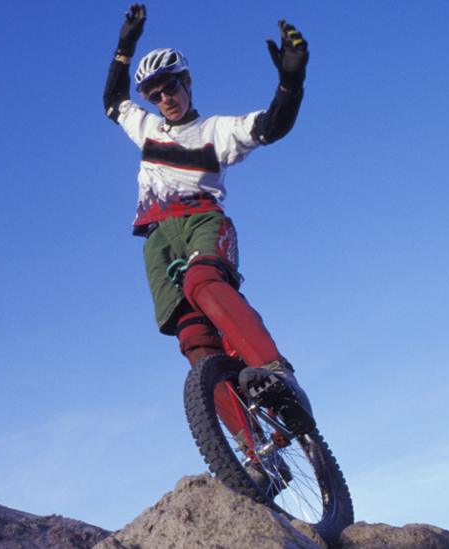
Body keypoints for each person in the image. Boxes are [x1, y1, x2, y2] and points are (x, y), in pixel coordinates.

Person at [103, 4, 315, 435]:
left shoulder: (217, 130)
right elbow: (112, 101)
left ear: (187, 82)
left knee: (203, 282)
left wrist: (291, 82)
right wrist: (126, 45)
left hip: (203, 219)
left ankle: (275, 371)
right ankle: (253, 450)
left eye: (171, 87)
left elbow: (271, 127)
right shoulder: (146, 128)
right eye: (155, 93)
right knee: (193, 340)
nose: (165, 98)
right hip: (157, 238)